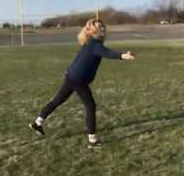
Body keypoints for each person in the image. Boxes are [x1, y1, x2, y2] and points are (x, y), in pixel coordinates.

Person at [29, 18, 135, 148]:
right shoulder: (95, 44)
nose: (103, 28)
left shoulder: (90, 43)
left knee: (57, 101)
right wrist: (123, 55)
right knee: (90, 106)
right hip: (78, 80)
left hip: (71, 77)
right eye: (100, 27)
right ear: (94, 31)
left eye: (103, 26)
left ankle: (37, 123)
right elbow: (107, 53)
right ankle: (93, 140)